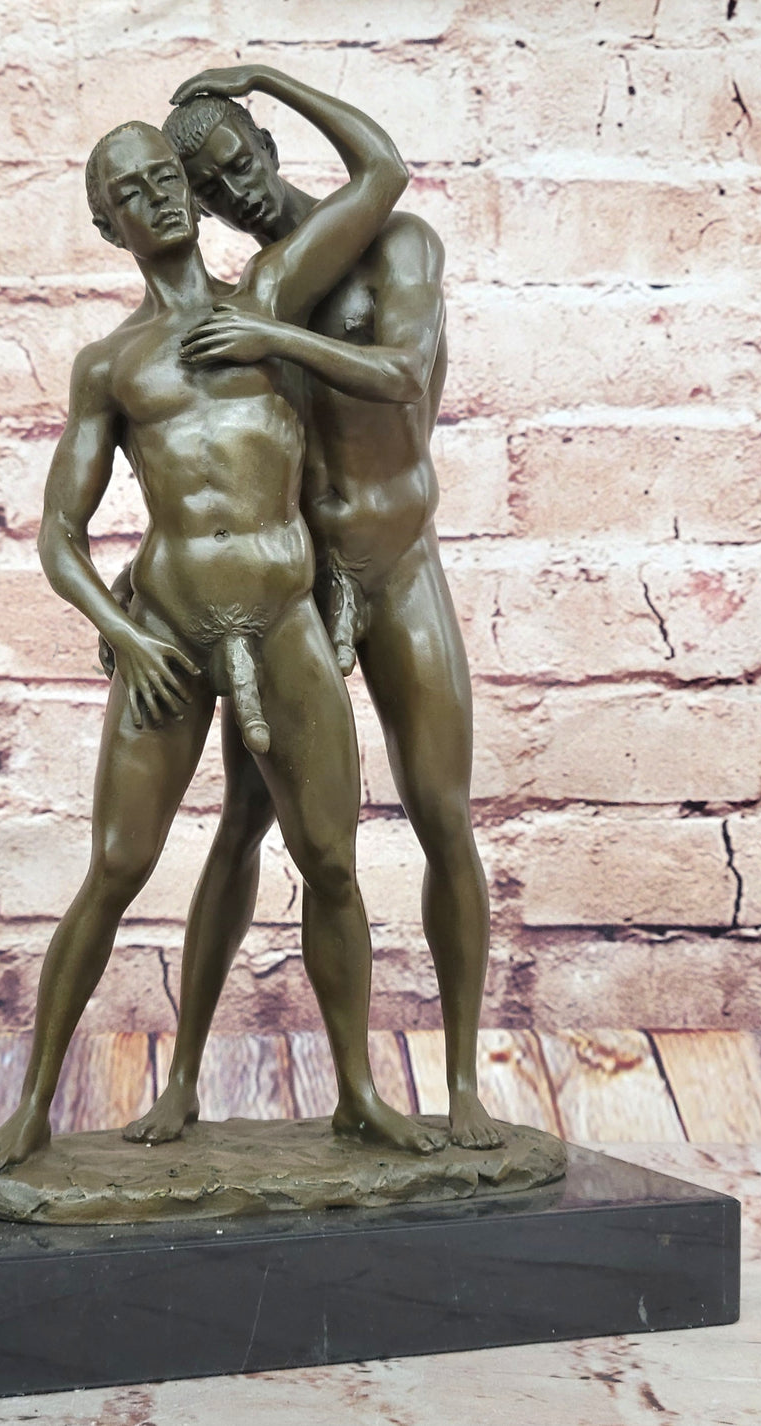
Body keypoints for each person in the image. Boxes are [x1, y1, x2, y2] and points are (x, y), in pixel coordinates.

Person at [0, 65, 445, 1173]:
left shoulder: (270, 296)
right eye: (131, 191)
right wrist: (125, 631)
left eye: (165, 176)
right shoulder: (111, 365)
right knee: (117, 866)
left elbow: (381, 171)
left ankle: (359, 1094)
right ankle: (31, 1105)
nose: (161, 197)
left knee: (332, 862)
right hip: (172, 638)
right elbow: (59, 534)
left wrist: (265, 80)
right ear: (110, 226)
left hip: (281, 623)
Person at [124, 73, 500, 1152]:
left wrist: (264, 74)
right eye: (211, 187)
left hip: (397, 562)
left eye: (241, 160)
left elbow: (402, 375)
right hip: (298, 583)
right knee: (243, 824)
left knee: (439, 812)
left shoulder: (391, 246)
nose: (237, 191)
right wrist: (144, 581)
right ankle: (181, 1079)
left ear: (266, 139)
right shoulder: (259, 286)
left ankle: (461, 1082)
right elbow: (204, 460)